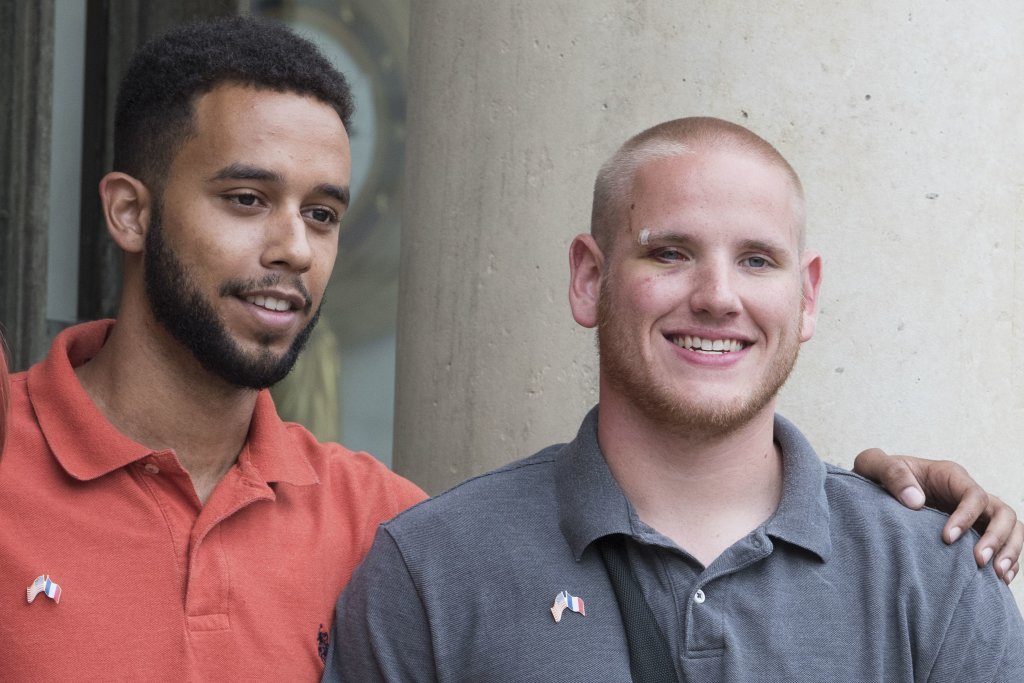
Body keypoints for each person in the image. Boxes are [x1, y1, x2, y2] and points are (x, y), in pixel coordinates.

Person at [326, 117, 1024, 681]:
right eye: (670, 253)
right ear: (588, 278)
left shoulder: (933, 577)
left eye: (757, 259)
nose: (718, 297)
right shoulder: (434, 570)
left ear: (806, 297)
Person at [0, 18, 425, 680]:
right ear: (129, 213)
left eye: (322, 214)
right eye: (248, 199)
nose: (295, 248)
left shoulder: (382, 524)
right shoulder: (9, 456)